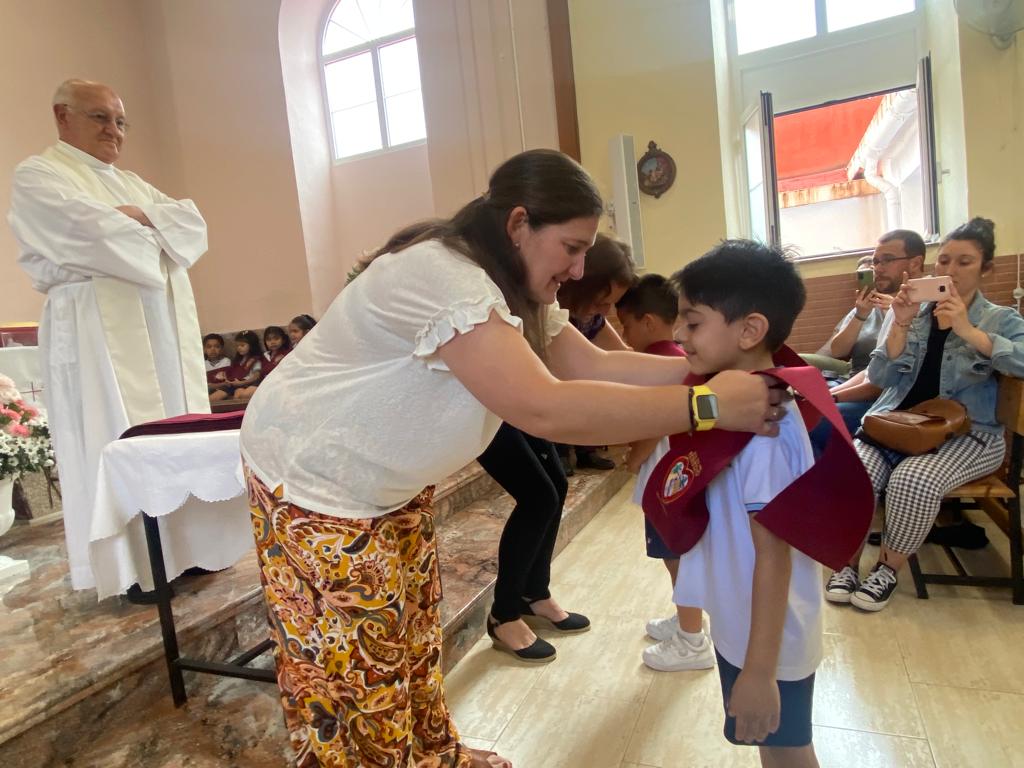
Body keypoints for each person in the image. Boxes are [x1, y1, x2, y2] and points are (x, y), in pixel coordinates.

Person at [239, 149, 782, 767]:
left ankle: (435, 755)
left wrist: (708, 371)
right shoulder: (445, 276)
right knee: (357, 672)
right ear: (519, 224)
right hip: (314, 480)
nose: (578, 270)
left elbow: (592, 364)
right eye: (571, 248)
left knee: (411, 636)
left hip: (383, 482)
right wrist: (709, 405)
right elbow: (544, 407)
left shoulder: (507, 281)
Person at [7, 78, 208, 593]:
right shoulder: (40, 175)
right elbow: (96, 236)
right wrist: (153, 228)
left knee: (173, 429)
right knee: (111, 432)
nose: (113, 130)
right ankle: (135, 569)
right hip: (94, 329)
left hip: (160, 330)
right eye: (100, 117)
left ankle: (189, 549)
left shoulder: (133, 183)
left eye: (120, 121)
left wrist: (139, 217)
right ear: (63, 116)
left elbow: (192, 228)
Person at [669, 240, 821, 767]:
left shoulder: (765, 431)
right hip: (746, 625)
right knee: (770, 749)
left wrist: (759, 672)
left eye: (692, 322)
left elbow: (773, 554)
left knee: (789, 755)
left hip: (770, 643)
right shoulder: (742, 405)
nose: (678, 334)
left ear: (750, 330)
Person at [826, 217, 1024, 612]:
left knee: (911, 479)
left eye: (964, 262)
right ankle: (845, 564)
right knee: (853, 472)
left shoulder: (1000, 319)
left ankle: (887, 569)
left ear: (986, 269)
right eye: (945, 260)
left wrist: (968, 330)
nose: (951, 270)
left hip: (968, 434)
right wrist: (899, 325)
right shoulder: (914, 314)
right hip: (895, 424)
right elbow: (881, 377)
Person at [616, 274, 714, 673]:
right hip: (678, 475)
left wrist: (635, 457)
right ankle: (688, 618)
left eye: (625, 325)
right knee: (678, 553)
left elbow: (658, 420)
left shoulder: (655, 363)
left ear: (648, 322)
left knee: (676, 556)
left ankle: (692, 641)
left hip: (666, 478)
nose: (624, 337)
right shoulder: (677, 356)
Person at [809, 231, 926, 452]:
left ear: (915, 263)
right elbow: (837, 351)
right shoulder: (868, 306)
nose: (878, 268)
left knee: (812, 421)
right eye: (875, 262)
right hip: (852, 382)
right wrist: (860, 315)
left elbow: (880, 380)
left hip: (887, 400)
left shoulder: (923, 310)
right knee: (793, 413)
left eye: (887, 260)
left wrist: (829, 398)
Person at [554, 233, 637, 473]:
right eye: (601, 301)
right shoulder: (554, 311)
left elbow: (621, 354)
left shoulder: (593, 317)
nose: (605, 310)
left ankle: (586, 449)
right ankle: (558, 451)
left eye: (611, 303)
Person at [226, 330, 262, 400]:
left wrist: (242, 383)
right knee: (237, 394)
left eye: (242, 345)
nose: (239, 348)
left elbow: (256, 377)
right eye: (237, 345)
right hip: (239, 384)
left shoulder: (255, 359)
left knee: (243, 395)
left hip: (252, 384)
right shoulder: (238, 360)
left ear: (252, 345)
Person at [204, 333, 232, 403]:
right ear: (204, 349)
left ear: (221, 349)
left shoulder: (226, 361)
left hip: (222, 390)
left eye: (217, 346)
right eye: (209, 347)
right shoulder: (203, 364)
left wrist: (214, 385)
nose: (213, 349)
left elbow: (228, 383)